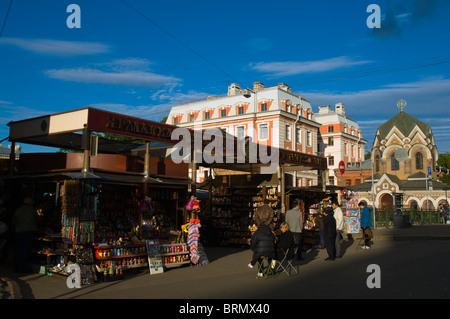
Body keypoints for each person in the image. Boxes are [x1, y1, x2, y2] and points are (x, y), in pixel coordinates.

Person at [13, 197, 38, 273]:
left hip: (19, 232)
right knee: (24, 250)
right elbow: (38, 220)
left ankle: (17, 267)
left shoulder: (18, 210)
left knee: (18, 249)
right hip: (28, 232)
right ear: (30, 203)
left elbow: (14, 221)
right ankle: (22, 268)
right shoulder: (33, 210)